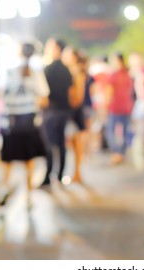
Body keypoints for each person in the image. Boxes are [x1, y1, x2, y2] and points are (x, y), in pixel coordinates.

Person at [0, 43, 49, 206]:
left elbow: (1, 94)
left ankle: (4, 188)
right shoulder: (36, 73)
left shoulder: (9, 71)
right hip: (29, 121)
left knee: (7, 159)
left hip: (11, 121)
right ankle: (28, 196)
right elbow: (44, 97)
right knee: (29, 159)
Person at [41, 38, 75, 188]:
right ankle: (60, 174)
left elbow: (43, 94)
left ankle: (48, 175)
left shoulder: (47, 69)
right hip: (63, 110)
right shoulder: (66, 70)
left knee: (48, 144)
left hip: (51, 111)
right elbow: (71, 92)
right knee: (61, 143)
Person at [62, 46, 87, 183]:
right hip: (71, 111)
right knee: (73, 143)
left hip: (74, 112)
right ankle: (76, 172)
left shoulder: (76, 72)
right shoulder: (68, 71)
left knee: (76, 143)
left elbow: (78, 97)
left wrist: (70, 96)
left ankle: (77, 172)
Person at [106, 53, 134, 164]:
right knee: (125, 131)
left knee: (112, 131)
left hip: (116, 107)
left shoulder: (114, 75)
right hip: (127, 106)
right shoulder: (127, 74)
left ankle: (117, 153)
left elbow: (109, 93)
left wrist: (105, 107)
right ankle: (121, 152)